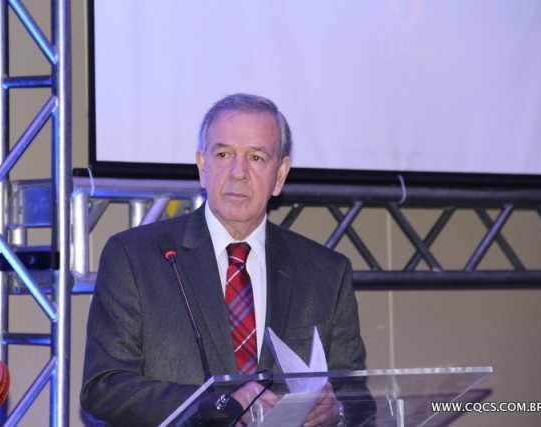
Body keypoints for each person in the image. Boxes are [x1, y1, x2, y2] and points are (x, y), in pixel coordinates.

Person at [80, 93, 371, 426]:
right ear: (203, 166)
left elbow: (359, 399)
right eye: (223, 154)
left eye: (256, 158)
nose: (238, 173)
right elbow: (104, 388)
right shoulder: (136, 257)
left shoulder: (325, 272)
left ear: (280, 175)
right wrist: (216, 405)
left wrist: (338, 411)